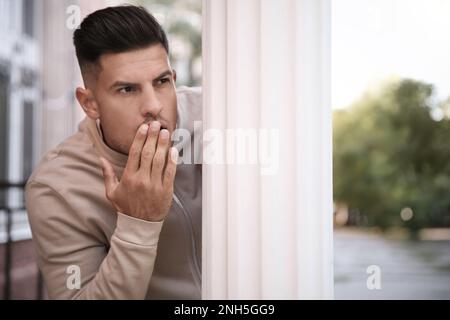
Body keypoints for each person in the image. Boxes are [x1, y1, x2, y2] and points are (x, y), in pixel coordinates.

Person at [25, 5, 202, 299]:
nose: (153, 105)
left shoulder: (217, 118)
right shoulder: (56, 187)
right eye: (127, 89)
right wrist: (138, 225)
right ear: (89, 103)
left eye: (161, 82)